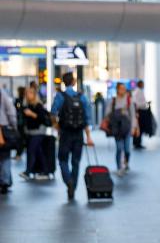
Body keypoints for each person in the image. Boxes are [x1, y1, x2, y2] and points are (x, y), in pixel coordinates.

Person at [51, 73, 95, 201]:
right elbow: (87, 119)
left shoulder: (60, 96)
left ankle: (68, 181)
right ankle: (73, 187)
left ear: (64, 82)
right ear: (74, 82)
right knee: (76, 162)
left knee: (62, 160)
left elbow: (53, 113)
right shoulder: (82, 97)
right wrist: (89, 137)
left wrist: (57, 127)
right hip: (78, 135)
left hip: (65, 133)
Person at [105, 82, 139, 175]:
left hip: (127, 128)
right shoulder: (113, 101)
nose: (123, 90)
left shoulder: (129, 100)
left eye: (124, 89)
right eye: (121, 88)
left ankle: (126, 162)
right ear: (117, 90)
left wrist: (133, 127)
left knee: (127, 149)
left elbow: (133, 115)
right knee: (119, 148)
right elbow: (107, 113)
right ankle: (119, 167)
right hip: (117, 128)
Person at [19, 86, 51, 181]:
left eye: (29, 93)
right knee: (38, 152)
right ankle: (45, 171)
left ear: (34, 95)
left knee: (31, 150)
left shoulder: (38, 105)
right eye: (26, 93)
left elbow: (41, 118)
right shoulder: (27, 105)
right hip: (31, 132)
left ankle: (28, 172)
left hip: (39, 131)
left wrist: (31, 114)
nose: (27, 95)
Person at [0, 86, 17, 194]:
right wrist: (14, 126)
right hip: (3, 127)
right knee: (5, 156)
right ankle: (5, 181)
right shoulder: (2, 94)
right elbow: (11, 111)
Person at [131, 80, 149, 149]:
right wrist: (144, 104)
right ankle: (136, 142)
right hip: (139, 111)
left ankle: (138, 142)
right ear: (140, 84)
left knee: (140, 128)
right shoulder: (137, 92)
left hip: (141, 110)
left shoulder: (139, 91)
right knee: (138, 127)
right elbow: (136, 103)